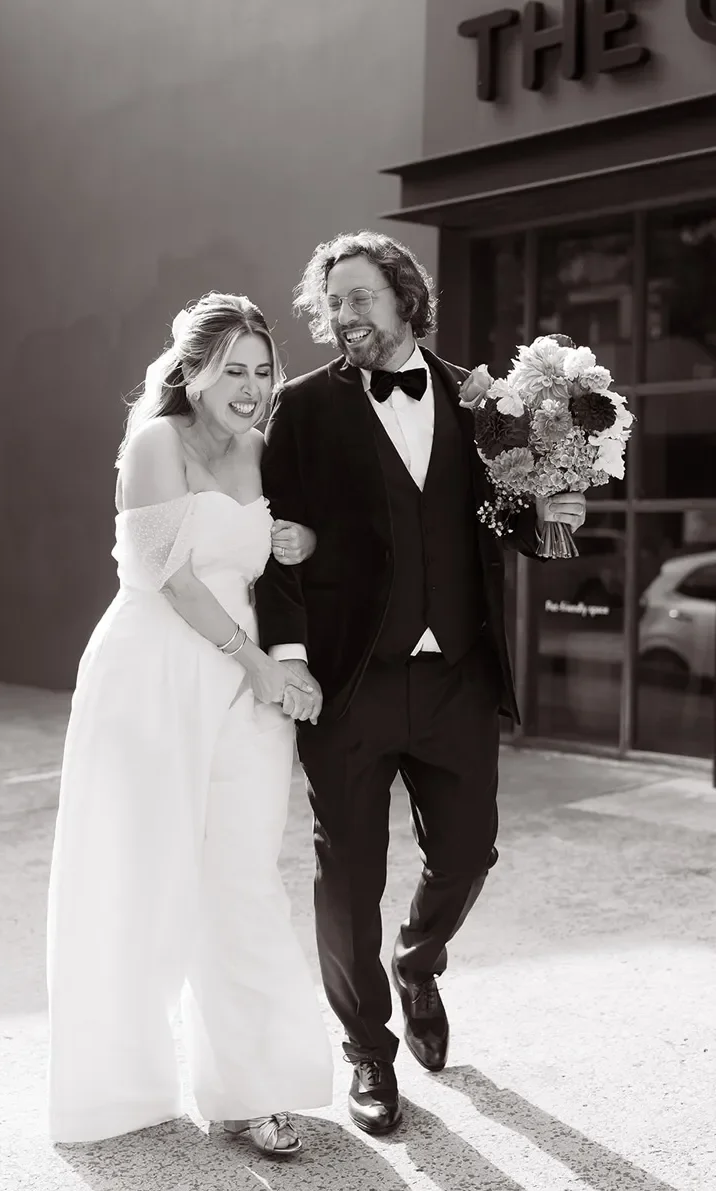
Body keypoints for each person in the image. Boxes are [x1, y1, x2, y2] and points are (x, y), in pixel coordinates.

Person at [254, 233, 586, 1136]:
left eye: (362, 297)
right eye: (335, 304)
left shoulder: (485, 401)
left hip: (458, 679)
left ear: (405, 296)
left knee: (471, 850)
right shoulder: (300, 409)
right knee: (347, 878)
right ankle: (368, 1050)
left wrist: (544, 513)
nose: (345, 316)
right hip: (350, 682)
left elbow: (502, 514)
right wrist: (289, 661)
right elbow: (271, 542)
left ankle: (419, 960)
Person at [46, 292, 333, 1156]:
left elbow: (275, 550)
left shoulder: (259, 449)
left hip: (242, 686)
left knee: (243, 877)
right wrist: (260, 666)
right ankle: (117, 1088)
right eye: (232, 370)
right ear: (194, 371)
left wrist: (302, 545)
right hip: (156, 676)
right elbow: (169, 575)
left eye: (261, 370)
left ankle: (254, 1089)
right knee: (139, 874)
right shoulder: (154, 443)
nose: (250, 387)